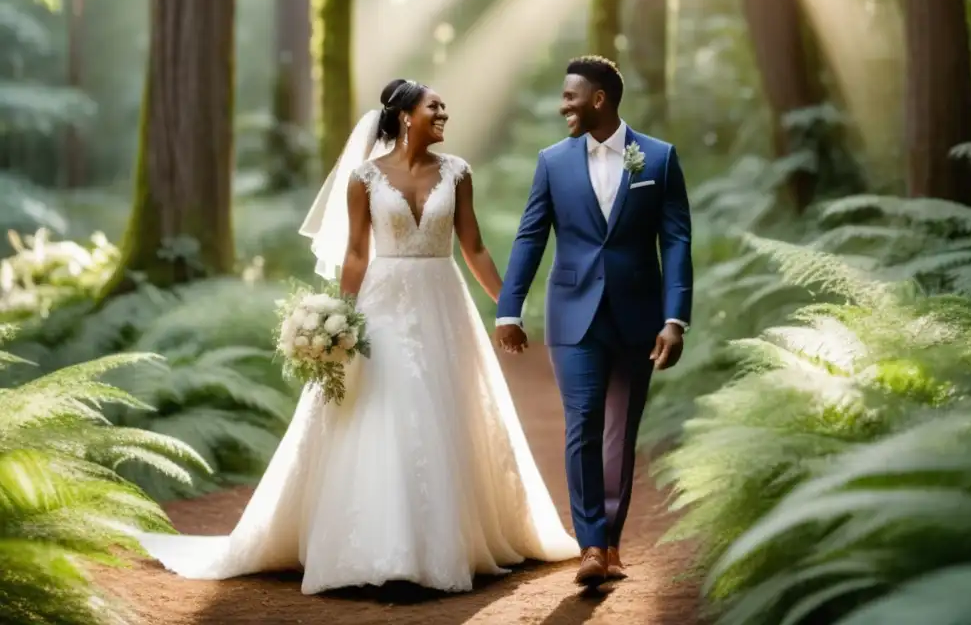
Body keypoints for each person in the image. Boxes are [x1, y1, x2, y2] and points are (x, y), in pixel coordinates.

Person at [132, 79, 579, 594]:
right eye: (435, 106)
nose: (444, 114)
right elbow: (357, 254)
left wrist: (508, 307)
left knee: (442, 410)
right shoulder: (364, 178)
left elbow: (473, 246)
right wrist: (339, 320)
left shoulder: (457, 173)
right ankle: (379, 548)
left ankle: (440, 545)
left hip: (442, 301)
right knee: (382, 408)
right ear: (407, 115)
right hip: (381, 302)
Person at [494, 56, 694, 587]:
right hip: (572, 315)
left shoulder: (659, 159)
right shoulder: (552, 162)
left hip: (638, 316)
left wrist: (675, 318)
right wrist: (509, 308)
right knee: (581, 424)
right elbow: (531, 236)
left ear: (599, 99)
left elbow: (675, 241)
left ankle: (610, 540)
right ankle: (589, 545)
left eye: (569, 96)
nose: (562, 106)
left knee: (619, 433)